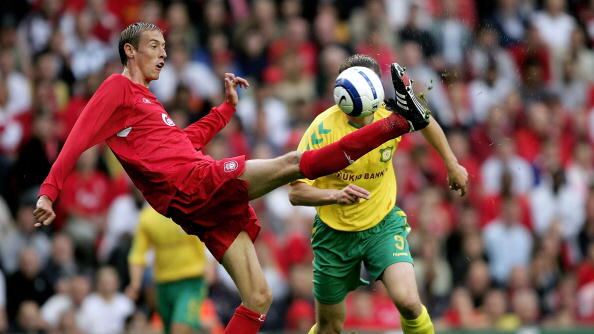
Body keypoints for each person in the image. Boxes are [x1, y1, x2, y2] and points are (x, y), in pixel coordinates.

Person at [33, 22, 433, 334]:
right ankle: (399, 120)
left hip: (190, 200)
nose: (163, 54)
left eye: (165, 48)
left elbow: (182, 142)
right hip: (192, 183)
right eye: (154, 46)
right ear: (129, 50)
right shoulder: (118, 88)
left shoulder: (145, 103)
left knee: (259, 298)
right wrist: (50, 192)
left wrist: (224, 111)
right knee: (293, 163)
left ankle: (401, 119)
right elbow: (78, 136)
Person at [289, 55, 468, 334]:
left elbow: (426, 122)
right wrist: (334, 196)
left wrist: (452, 163)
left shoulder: (392, 114)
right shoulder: (322, 128)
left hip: (381, 226)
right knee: (329, 327)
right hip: (333, 235)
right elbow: (296, 193)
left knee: (409, 302)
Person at [127, 205, 211, 334]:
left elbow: (205, 239)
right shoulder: (147, 218)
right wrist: (135, 283)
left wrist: (209, 266)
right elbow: (138, 254)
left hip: (191, 282)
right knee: (170, 330)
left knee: (179, 327)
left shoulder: (188, 208)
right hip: (163, 284)